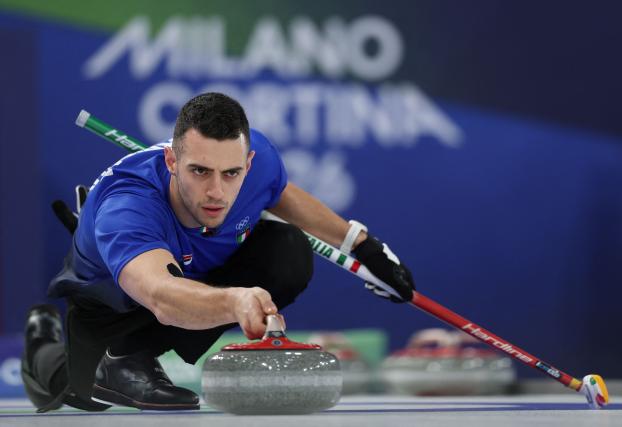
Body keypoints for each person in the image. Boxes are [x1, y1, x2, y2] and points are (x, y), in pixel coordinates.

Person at [21, 92, 415, 412]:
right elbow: (160, 295)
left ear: (248, 163)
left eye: (231, 174)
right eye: (199, 172)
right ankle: (45, 343)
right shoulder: (129, 205)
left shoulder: (256, 165)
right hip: (119, 303)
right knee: (74, 387)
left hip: (191, 277)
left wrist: (361, 245)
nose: (216, 192)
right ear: (171, 160)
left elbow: (278, 192)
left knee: (287, 249)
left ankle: (133, 356)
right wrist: (235, 301)